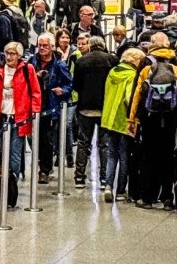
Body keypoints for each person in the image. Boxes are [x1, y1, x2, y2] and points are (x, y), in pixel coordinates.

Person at [127, 34, 177, 208]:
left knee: (148, 156)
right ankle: (167, 197)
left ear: (152, 46)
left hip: (149, 117)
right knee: (168, 155)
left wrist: (131, 119)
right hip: (170, 117)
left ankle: (147, 198)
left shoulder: (146, 64)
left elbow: (136, 94)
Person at [0, 42, 41, 179]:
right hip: (2, 115)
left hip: (20, 117)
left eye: (12, 54)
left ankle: (13, 178)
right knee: (3, 149)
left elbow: (35, 92)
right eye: (7, 53)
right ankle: (4, 177)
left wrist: (34, 112)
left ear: (19, 55)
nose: (9, 57)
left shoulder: (28, 69)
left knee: (15, 150)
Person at [100, 48, 142, 203]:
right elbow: (129, 98)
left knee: (111, 154)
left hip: (109, 119)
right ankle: (120, 189)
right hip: (123, 120)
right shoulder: (131, 75)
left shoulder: (113, 72)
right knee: (124, 155)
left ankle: (108, 185)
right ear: (133, 60)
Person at [71, 36, 113, 188]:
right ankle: (104, 179)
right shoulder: (111, 60)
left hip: (85, 107)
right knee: (104, 144)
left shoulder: (82, 61)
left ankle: (79, 177)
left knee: (83, 142)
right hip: (104, 107)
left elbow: (75, 85)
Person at [31, 32, 72, 184]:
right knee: (32, 138)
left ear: (52, 47)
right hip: (33, 107)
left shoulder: (59, 64)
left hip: (50, 107)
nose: (42, 48)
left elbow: (69, 84)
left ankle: (45, 169)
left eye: (45, 46)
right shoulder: (32, 62)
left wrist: (62, 90)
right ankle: (41, 163)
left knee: (46, 140)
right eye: (40, 45)